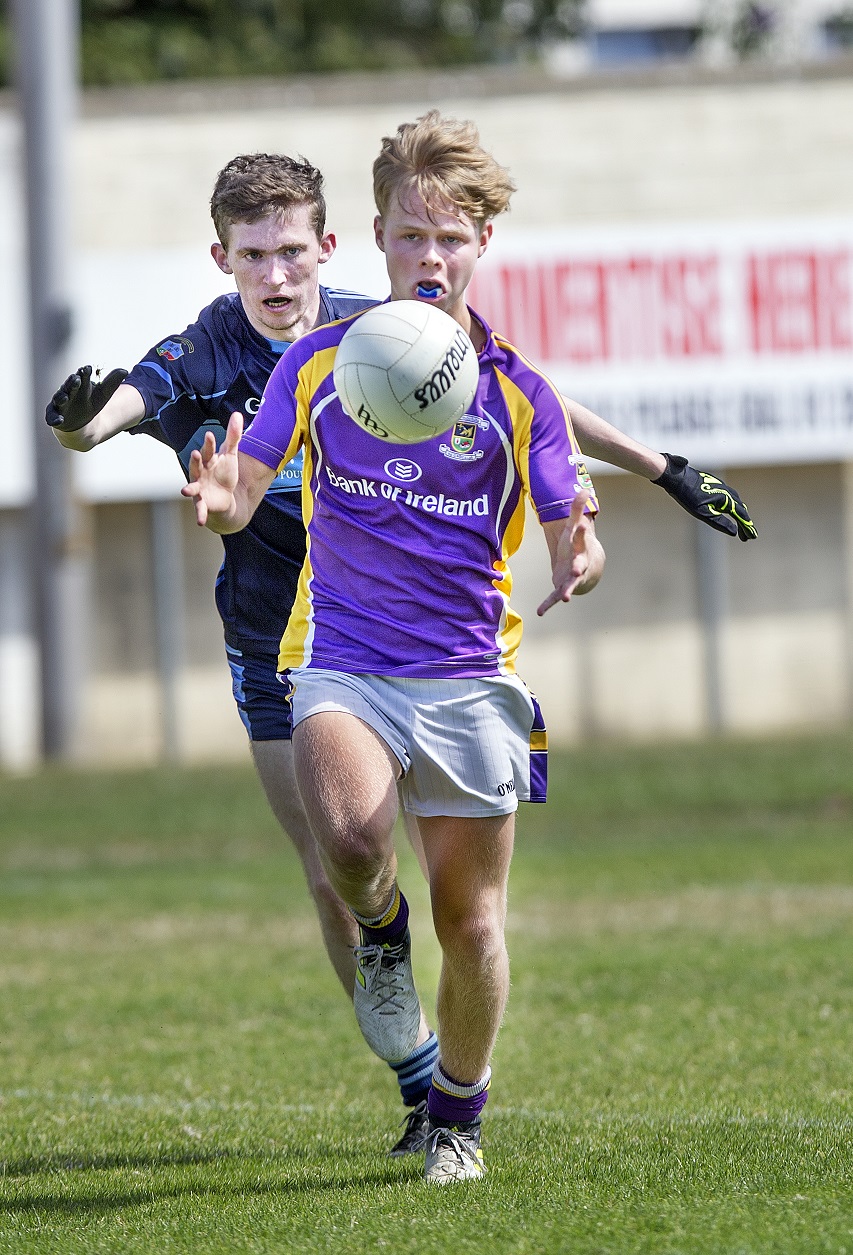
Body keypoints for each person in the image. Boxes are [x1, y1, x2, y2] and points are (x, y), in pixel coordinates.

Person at [47, 147, 756, 1167]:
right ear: (227, 259)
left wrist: (657, 473)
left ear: (331, 248)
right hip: (292, 633)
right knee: (335, 855)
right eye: (256, 256)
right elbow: (135, 398)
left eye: (294, 251)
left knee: (469, 921)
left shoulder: (407, 342)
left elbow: (538, 408)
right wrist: (121, 445)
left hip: (457, 659)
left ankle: (450, 1101)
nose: (278, 275)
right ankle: (410, 1053)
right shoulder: (245, 353)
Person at [183, 111, 601, 1186]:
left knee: (472, 927)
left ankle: (457, 1113)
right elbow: (244, 484)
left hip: (467, 679)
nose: (428, 257)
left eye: (449, 238)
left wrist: (579, 550)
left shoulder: (518, 393)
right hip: (343, 662)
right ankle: (377, 930)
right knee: (354, 841)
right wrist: (221, 497)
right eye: (410, 237)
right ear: (375, 238)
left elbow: (564, 517)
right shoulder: (321, 363)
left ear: (480, 247)